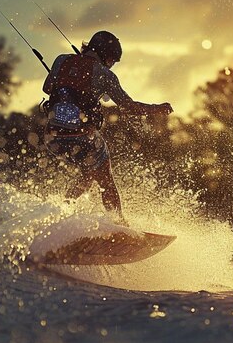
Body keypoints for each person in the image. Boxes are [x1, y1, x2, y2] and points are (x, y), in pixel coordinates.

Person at [43, 30, 173, 223]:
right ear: (106, 55)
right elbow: (128, 107)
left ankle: (61, 214)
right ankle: (119, 223)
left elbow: (47, 88)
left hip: (52, 139)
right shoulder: (105, 74)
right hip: (81, 138)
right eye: (113, 60)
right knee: (105, 178)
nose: (112, 65)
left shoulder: (61, 60)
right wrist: (157, 109)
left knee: (89, 174)